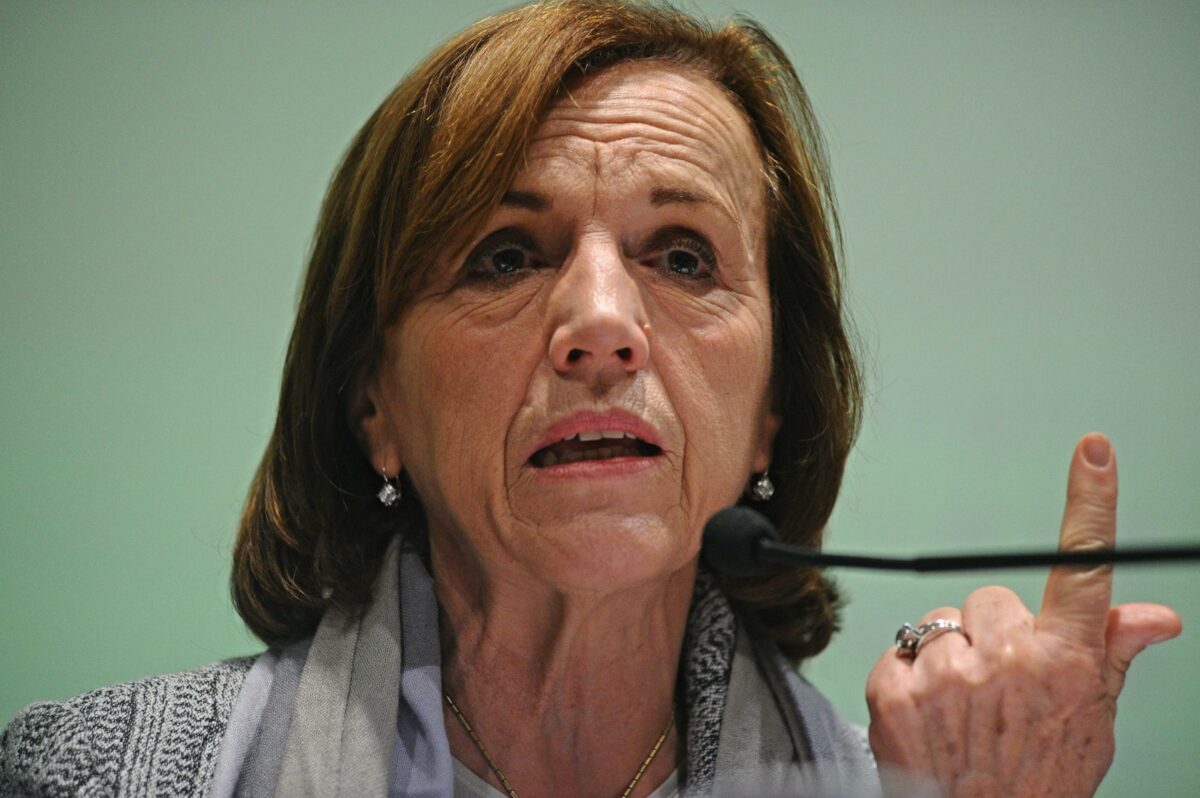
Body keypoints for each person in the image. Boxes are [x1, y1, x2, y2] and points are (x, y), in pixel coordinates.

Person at [0, 2, 1181, 796]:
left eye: (683, 256)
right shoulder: (78, 777)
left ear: (773, 411)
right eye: (506, 256)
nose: (604, 326)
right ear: (374, 406)